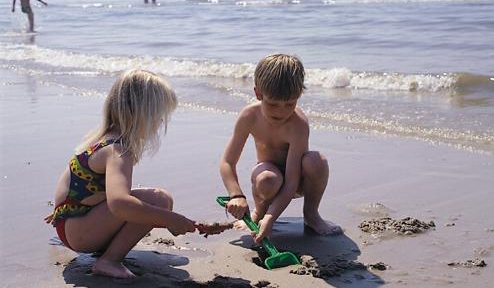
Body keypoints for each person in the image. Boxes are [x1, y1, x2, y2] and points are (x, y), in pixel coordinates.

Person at [44, 69, 196, 278]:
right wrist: (170, 218)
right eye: (159, 116)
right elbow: (119, 204)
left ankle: (107, 253)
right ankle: (109, 261)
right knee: (159, 200)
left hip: (70, 226)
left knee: (154, 201)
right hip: (80, 233)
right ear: (141, 114)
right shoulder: (118, 150)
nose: (160, 122)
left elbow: (71, 185)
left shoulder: (101, 140)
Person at [219, 54, 342, 244]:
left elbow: (292, 183)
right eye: (273, 104)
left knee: (317, 161)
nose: (281, 111)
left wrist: (272, 217)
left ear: (299, 95)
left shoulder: (298, 125)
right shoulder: (249, 116)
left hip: (297, 181)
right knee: (268, 179)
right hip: (268, 178)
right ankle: (258, 212)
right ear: (258, 93)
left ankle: (311, 214)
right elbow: (227, 162)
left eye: (290, 104)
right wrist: (236, 195)